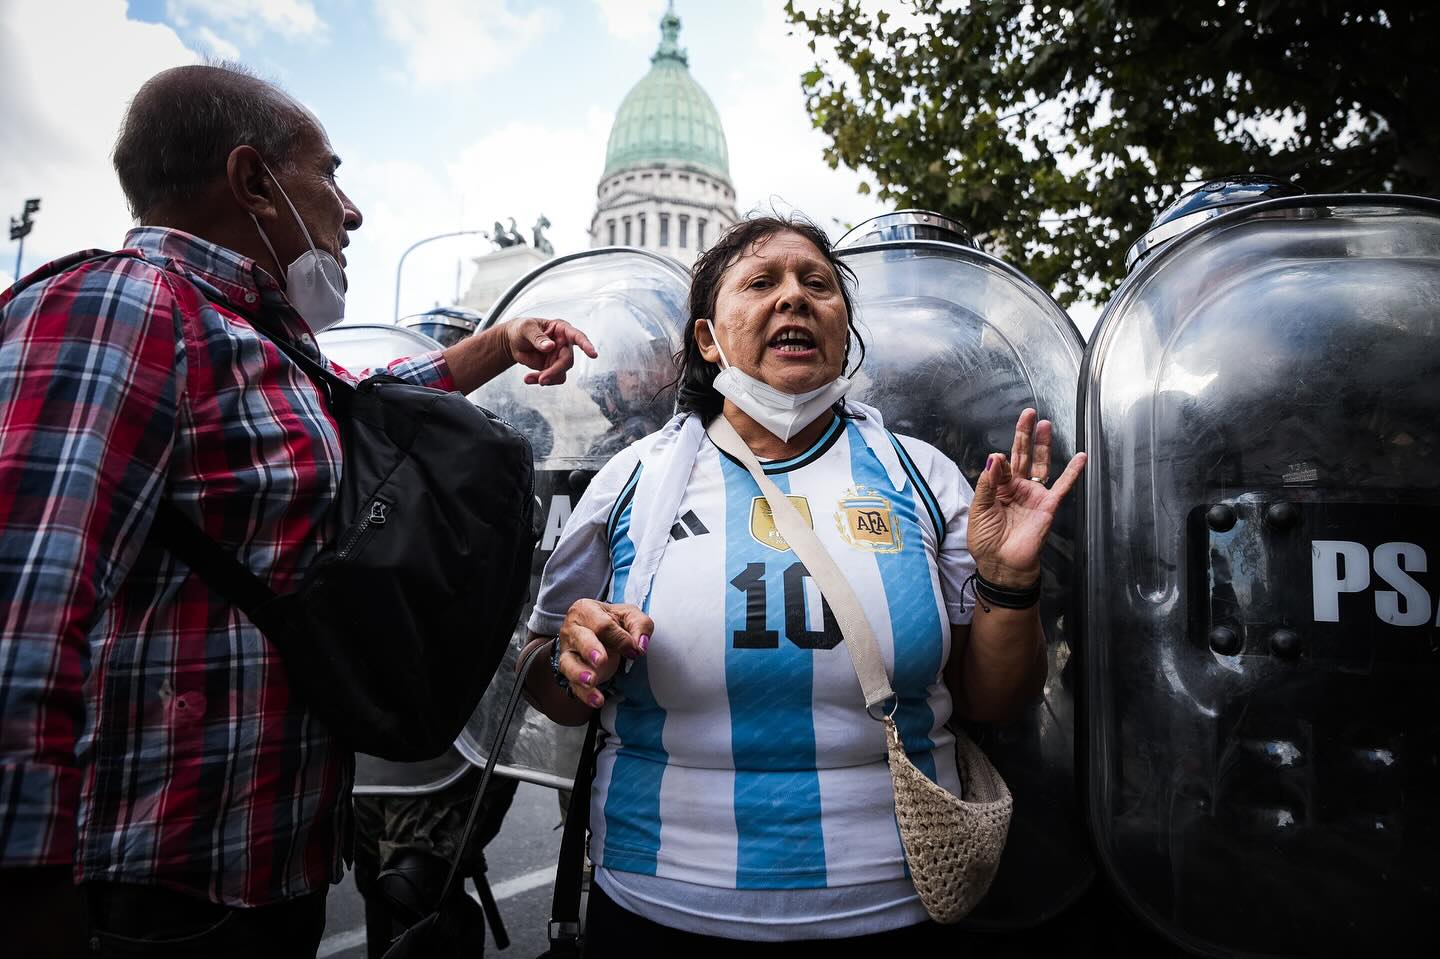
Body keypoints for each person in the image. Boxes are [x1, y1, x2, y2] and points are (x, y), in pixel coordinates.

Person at [0, 63, 595, 958]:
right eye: (329, 174)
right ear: (253, 182)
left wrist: (499, 346)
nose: (351, 210)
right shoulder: (120, 305)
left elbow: (365, 405)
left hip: (267, 874)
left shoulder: (253, 340)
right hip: (150, 894)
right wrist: (25, 903)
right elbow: (19, 620)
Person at [518, 215, 1086, 952]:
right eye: (761, 283)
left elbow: (992, 698)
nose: (795, 298)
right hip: (657, 905)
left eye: (817, 284)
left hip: (899, 903)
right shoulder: (631, 481)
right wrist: (573, 660)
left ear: (843, 331)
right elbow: (545, 678)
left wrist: (1009, 583)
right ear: (707, 339)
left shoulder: (923, 477)